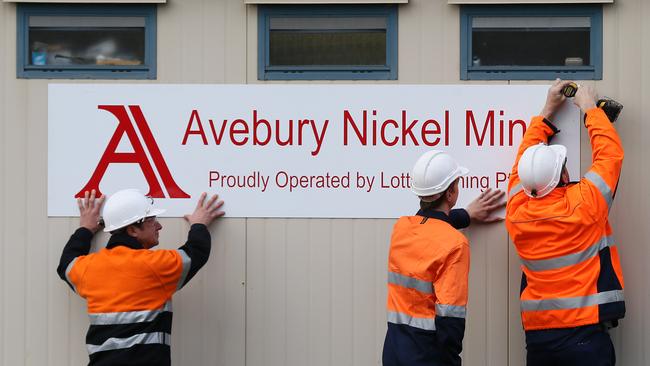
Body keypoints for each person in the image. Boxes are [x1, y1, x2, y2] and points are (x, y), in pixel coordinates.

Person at [505, 79, 625, 366]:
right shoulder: (584, 204)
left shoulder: (517, 210)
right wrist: (589, 109)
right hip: (585, 337)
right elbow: (609, 156)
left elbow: (525, 163)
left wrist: (547, 110)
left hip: (539, 340)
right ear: (561, 176)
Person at [57, 188, 225, 366]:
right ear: (133, 230)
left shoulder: (89, 268)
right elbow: (196, 252)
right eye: (152, 220)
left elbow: (66, 265)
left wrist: (85, 229)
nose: (159, 226)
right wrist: (199, 224)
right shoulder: (154, 266)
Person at [382, 150, 505, 366]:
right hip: (428, 358)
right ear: (450, 194)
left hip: (393, 353)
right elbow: (451, 319)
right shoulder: (454, 244)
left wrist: (465, 215)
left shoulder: (401, 228)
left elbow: (427, 224)